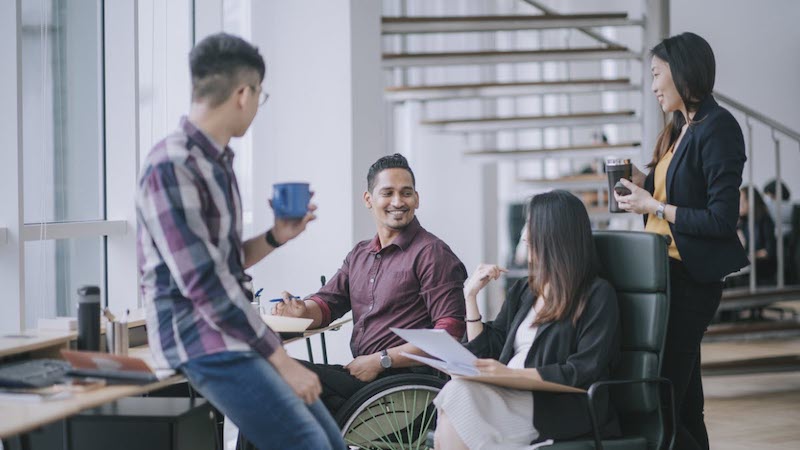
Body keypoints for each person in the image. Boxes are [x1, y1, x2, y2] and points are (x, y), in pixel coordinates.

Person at [136, 33, 345, 450]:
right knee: (311, 444)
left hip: (228, 334)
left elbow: (224, 263)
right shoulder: (171, 166)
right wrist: (283, 361)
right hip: (201, 341)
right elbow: (205, 286)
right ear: (244, 94)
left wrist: (275, 237)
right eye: (260, 96)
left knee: (330, 442)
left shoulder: (218, 164)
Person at [614, 32, 748, 450]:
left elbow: (722, 220)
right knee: (682, 394)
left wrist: (653, 206)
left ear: (682, 72)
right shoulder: (680, 128)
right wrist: (643, 181)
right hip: (662, 273)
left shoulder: (719, 127)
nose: (653, 85)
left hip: (689, 278)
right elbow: (672, 189)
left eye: (657, 74)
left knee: (665, 387)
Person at [273, 153, 468, 415]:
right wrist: (302, 311)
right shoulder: (360, 255)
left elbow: (450, 335)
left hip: (402, 384)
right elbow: (328, 302)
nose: (398, 202)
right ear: (369, 199)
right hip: (363, 378)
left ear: (416, 199)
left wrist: (382, 360)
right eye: (387, 192)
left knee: (276, 371)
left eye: (406, 193)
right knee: (270, 376)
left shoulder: (432, 253)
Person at [434, 190, 621, 449]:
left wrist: (511, 374)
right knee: (456, 392)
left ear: (555, 235)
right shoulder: (524, 290)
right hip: (507, 393)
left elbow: (583, 370)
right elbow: (490, 350)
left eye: (531, 226)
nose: (523, 235)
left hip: (554, 405)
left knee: (456, 401)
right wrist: (470, 297)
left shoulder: (597, 295)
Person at [738, 186, 777, 284]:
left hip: (763, 267)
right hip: (749, 265)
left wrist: (750, 256)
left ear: (751, 202)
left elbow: (769, 251)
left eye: (742, 201)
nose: (739, 205)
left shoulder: (765, 220)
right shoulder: (743, 223)